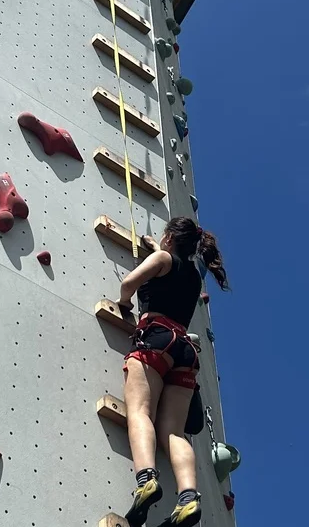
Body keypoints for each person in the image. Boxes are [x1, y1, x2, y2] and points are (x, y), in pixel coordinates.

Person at [116, 216, 229, 527]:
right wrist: (157, 248)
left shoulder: (163, 259)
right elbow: (170, 267)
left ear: (168, 238)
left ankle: (146, 480)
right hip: (185, 350)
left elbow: (128, 285)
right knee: (174, 432)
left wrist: (124, 303)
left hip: (155, 338)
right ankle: (188, 498)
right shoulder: (193, 277)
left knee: (140, 411)